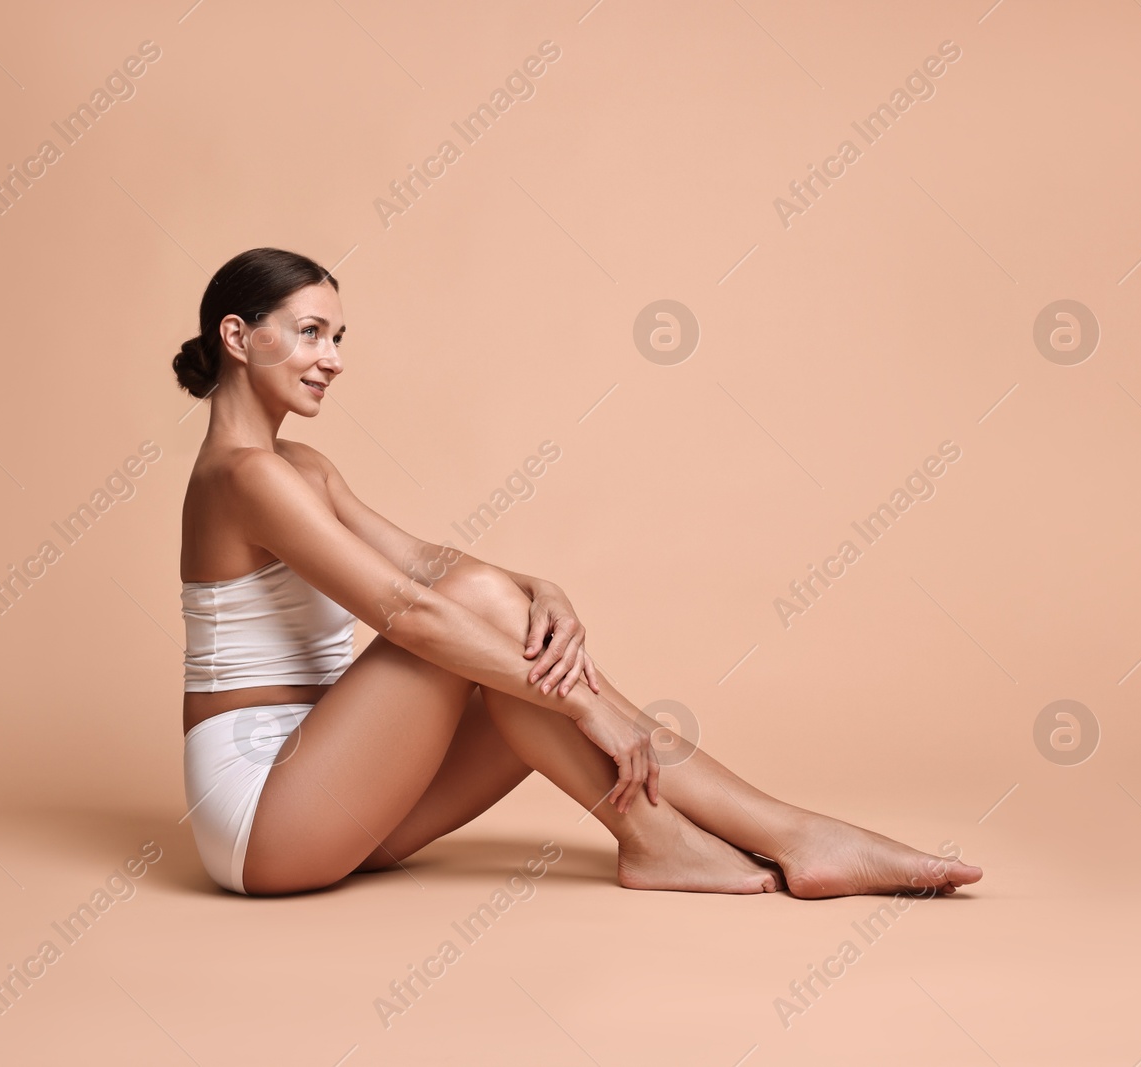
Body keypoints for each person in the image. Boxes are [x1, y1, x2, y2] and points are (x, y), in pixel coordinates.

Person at [175, 247, 983, 899]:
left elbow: (425, 561)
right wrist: (590, 708)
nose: (333, 360)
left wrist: (542, 585)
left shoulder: (301, 466)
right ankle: (750, 833)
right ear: (240, 337)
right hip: (263, 822)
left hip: (346, 804)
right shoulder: (246, 477)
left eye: (339, 338)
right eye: (312, 332)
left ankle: (719, 836)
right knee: (486, 611)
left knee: (503, 606)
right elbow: (412, 612)